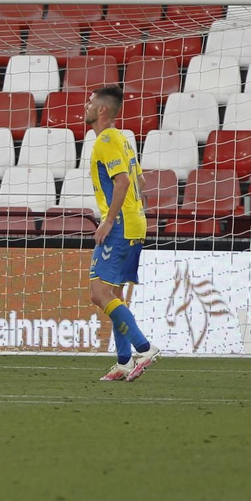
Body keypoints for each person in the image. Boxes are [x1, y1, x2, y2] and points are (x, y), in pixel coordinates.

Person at [84, 86, 161, 382]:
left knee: (98, 293)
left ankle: (144, 348)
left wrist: (109, 220)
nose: (87, 106)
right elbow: (140, 181)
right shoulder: (123, 139)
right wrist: (133, 214)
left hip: (120, 225)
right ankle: (124, 361)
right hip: (134, 223)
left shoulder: (105, 140)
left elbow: (124, 182)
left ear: (102, 109)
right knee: (114, 294)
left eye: (91, 102)